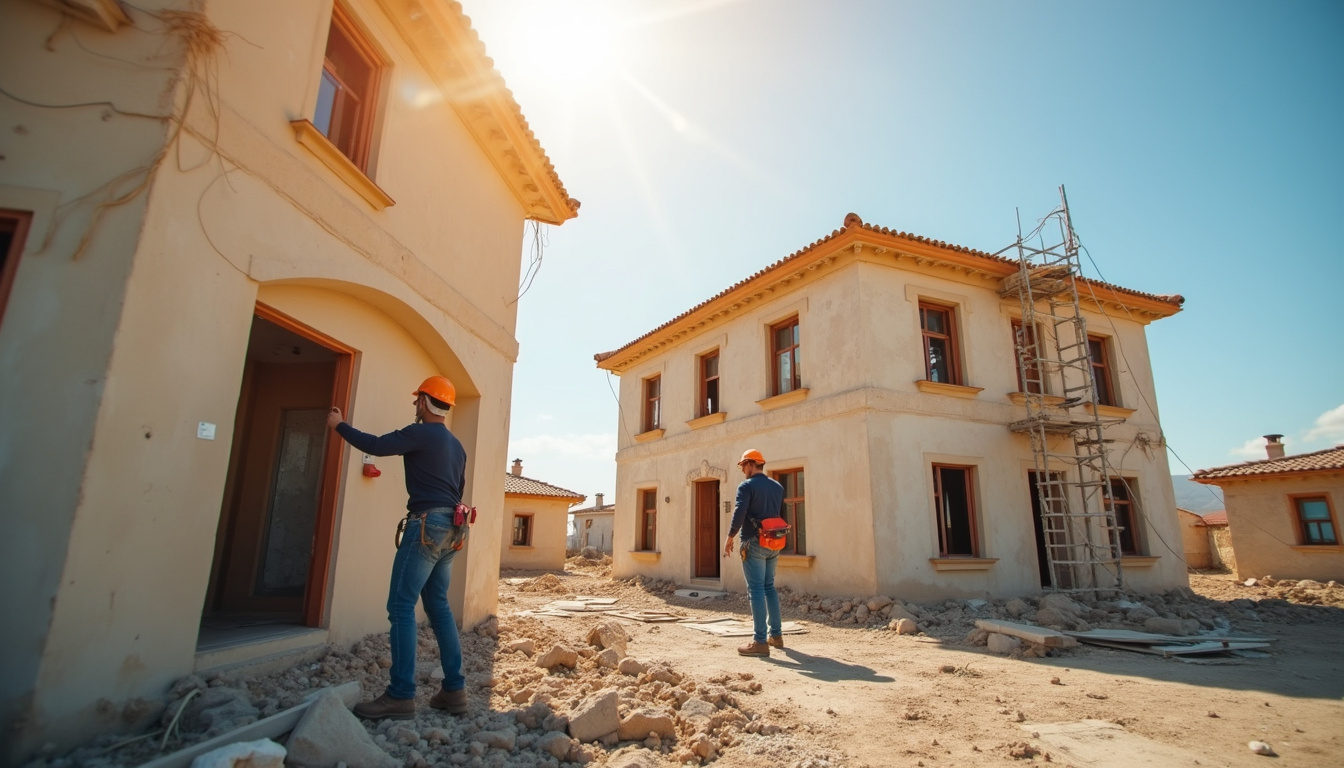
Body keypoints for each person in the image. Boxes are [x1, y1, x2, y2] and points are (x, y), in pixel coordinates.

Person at [326, 375, 470, 720]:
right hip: (454, 527)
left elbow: (375, 445)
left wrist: (339, 425)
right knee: (438, 606)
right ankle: (454, 689)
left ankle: (401, 695)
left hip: (426, 526)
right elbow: (457, 489)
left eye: (416, 401)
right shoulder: (457, 446)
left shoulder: (419, 432)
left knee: (401, 606)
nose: (415, 407)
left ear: (423, 402)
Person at [723, 449, 786, 657]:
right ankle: (775, 636)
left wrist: (730, 537)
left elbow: (740, 511)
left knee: (756, 590)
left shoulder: (746, 486)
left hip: (754, 542)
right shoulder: (777, 486)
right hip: (774, 543)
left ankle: (760, 642)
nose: (742, 471)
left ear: (750, 464)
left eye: (743, 466)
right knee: (769, 587)